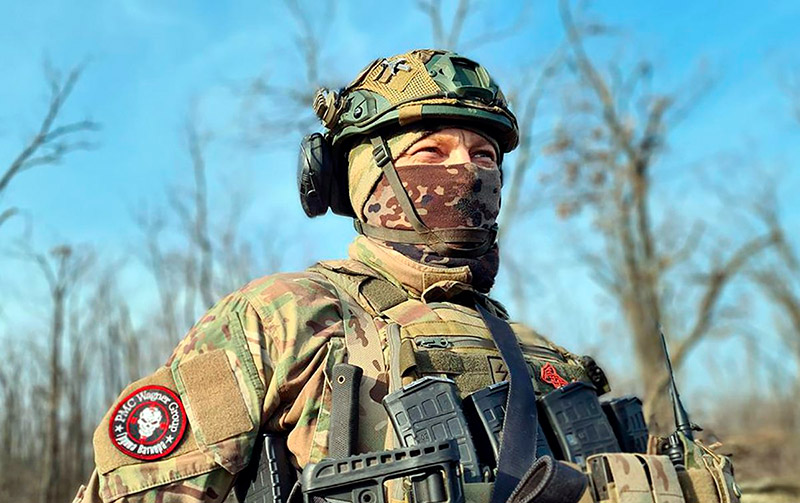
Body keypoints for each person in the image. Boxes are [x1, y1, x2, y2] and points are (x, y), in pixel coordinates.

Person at [72, 49, 739, 503]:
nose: (466, 170)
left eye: (484, 154)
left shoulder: (544, 353)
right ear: (364, 177)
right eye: (431, 150)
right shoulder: (283, 314)